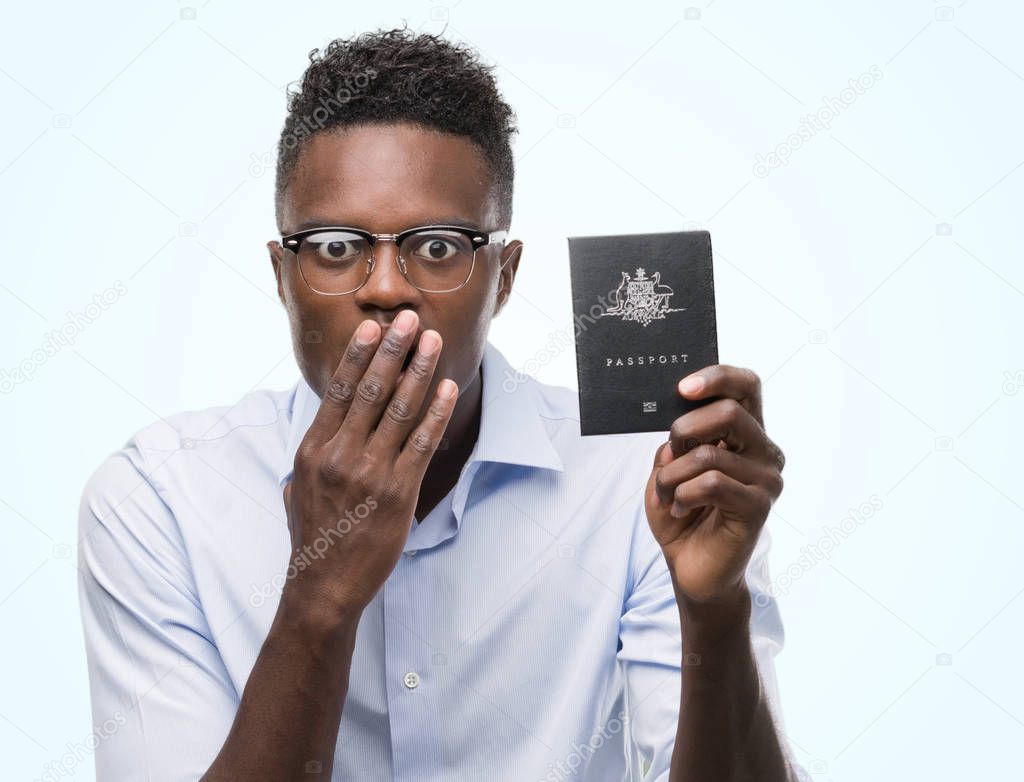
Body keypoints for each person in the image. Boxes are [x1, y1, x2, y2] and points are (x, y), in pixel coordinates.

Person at [78, 26, 803, 781]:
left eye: (435, 247)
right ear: (281, 276)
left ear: (505, 276)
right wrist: (320, 595)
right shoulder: (157, 500)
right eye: (333, 247)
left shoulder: (644, 483)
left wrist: (715, 613)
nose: (386, 288)